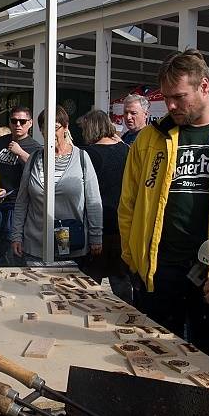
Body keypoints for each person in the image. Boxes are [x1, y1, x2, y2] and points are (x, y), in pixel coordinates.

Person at [118, 48, 209, 369]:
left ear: (204, 87)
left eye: (179, 96)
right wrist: (134, 260)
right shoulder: (149, 138)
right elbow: (128, 204)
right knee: (154, 358)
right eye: (167, 97)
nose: (171, 105)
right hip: (160, 271)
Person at [11, 106, 102, 263]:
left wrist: (96, 236)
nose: (50, 132)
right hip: (36, 245)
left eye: (55, 127)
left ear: (65, 127)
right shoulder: (34, 159)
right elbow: (22, 202)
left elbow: (93, 201)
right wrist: (16, 235)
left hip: (72, 244)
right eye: (45, 128)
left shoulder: (81, 158)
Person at [77, 110, 133, 303]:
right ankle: (128, 322)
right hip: (122, 225)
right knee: (121, 282)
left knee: (89, 286)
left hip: (97, 225)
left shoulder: (88, 154)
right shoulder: (126, 150)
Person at [0, 106, 42, 265]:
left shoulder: (35, 148)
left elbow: (38, 173)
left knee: (13, 252)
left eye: (22, 121)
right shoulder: (2, 142)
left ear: (30, 123)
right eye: (14, 120)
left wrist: (20, 153)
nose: (18, 124)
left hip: (17, 207)